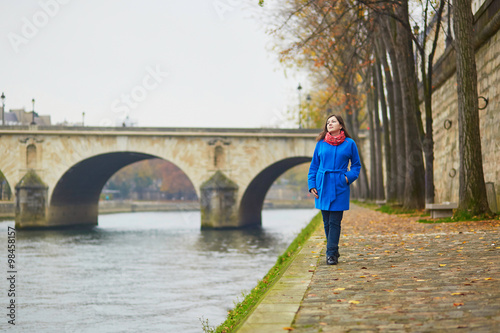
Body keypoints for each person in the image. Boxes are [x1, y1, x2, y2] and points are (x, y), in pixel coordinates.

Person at [308, 114, 361, 265]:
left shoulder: (350, 144)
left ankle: (330, 254)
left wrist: (347, 178)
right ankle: (334, 249)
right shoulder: (321, 144)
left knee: (335, 221)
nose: (329, 124)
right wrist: (312, 184)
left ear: (341, 125)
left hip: (339, 184)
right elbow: (314, 166)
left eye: (333, 121)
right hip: (322, 184)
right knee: (326, 221)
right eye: (328, 122)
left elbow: (356, 165)